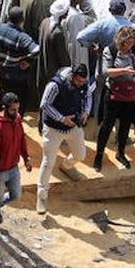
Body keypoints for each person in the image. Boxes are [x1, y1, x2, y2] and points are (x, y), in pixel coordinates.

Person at [36, 64, 91, 215]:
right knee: (48, 162)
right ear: (73, 76)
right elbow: (44, 104)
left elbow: (87, 95)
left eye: (83, 82)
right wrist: (61, 119)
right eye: (79, 81)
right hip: (53, 128)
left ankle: (66, 166)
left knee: (80, 154)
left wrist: (86, 111)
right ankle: (41, 196)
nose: (81, 84)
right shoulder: (55, 85)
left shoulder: (84, 83)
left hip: (73, 126)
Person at [94, 26, 135, 171]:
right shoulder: (110, 50)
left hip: (130, 94)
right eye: (127, 43)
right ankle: (99, 155)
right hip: (113, 94)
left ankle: (121, 153)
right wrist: (124, 70)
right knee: (107, 126)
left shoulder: (133, 51)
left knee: (125, 126)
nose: (130, 46)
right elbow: (106, 71)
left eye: (132, 43)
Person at [0, 93, 32, 237]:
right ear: (4, 108)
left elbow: (22, 139)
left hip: (13, 167)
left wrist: (26, 157)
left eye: (17, 109)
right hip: (0, 170)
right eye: (13, 110)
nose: (16, 113)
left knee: (15, 195)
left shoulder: (17, 120)